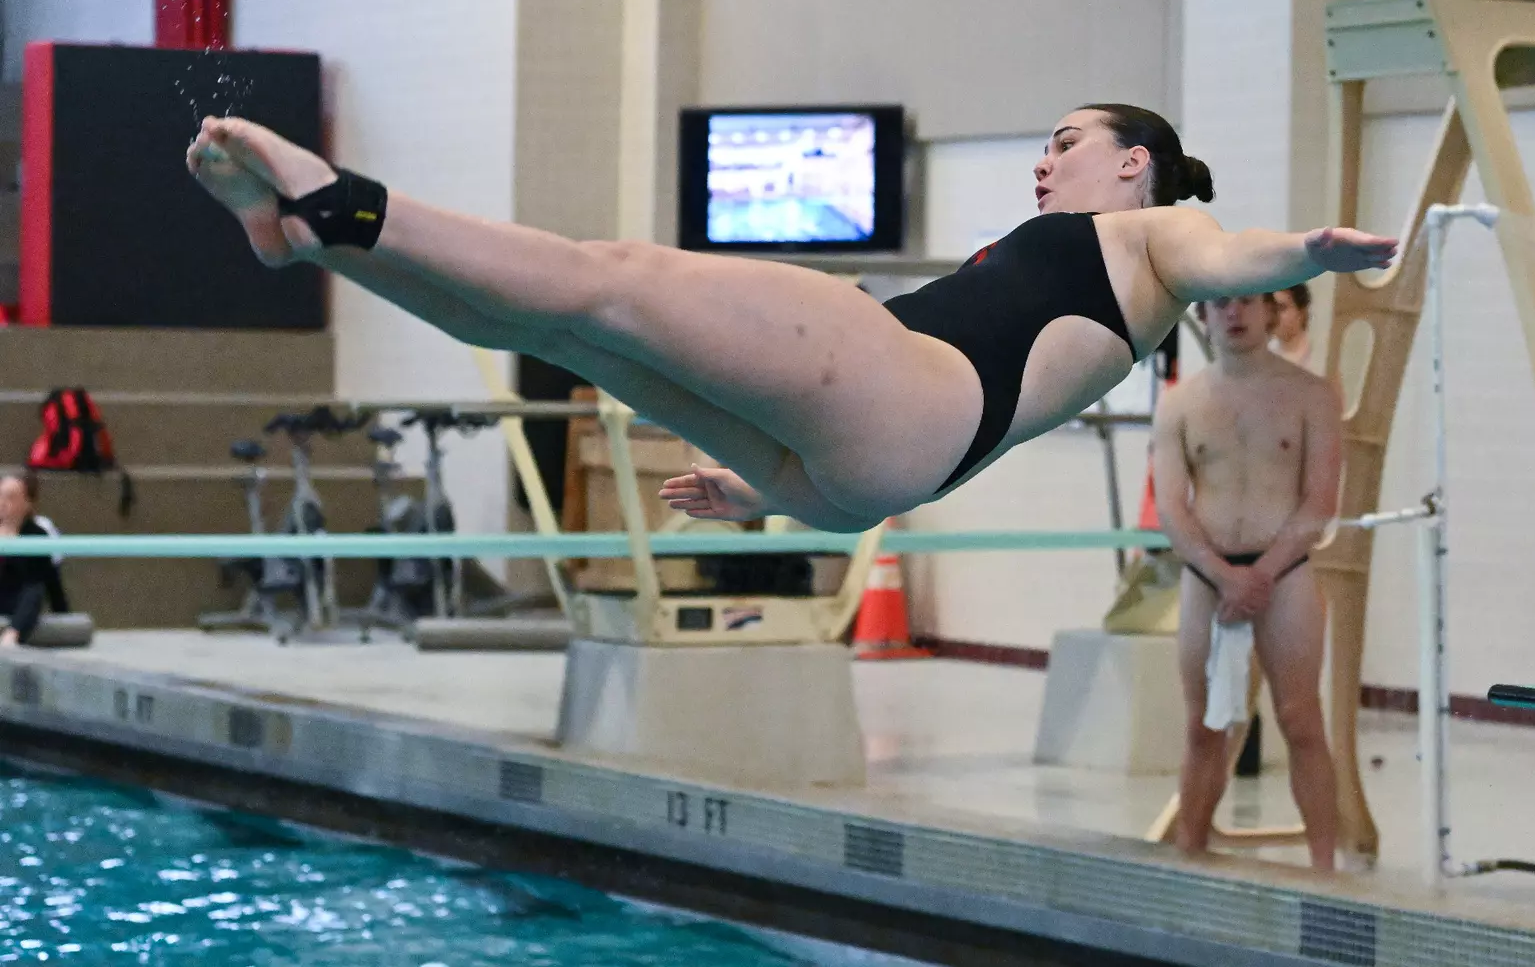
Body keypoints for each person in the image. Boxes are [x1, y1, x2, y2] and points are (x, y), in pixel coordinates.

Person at [185, 104, 1394, 533]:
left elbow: (1233, 253)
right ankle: (308, 237)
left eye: (1063, 143)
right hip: (875, 458)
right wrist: (774, 494)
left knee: (605, 278)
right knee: (557, 333)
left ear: (1134, 164)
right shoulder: (1105, 280)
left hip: (900, 409)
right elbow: (969, 432)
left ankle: (339, 202)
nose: (1044, 164)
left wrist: (1309, 251)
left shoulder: (1156, 236)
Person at [1151, 292, 1342, 871]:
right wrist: (1223, 575)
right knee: (1202, 725)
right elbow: (1172, 509)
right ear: (1202, 317)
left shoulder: (1312, 395)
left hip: (1283, 574)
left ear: (1269, 312)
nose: (1233, 315)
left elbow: (1318, 504)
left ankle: (1326, 868)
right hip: (1208, 576)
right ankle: (1190, 855)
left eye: (1245, 303)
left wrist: (1258, 575)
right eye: (1217, 304)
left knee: (1301, 718)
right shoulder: (1180, 404)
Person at [0, 471, 70, 647]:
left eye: (11, 497)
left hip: (17, 603)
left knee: (35, 589)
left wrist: (64, 617)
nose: (2, 503)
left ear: (27, 503)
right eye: (0, 495)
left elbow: (49, 581)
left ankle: (12, 635)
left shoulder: (37, 535)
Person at [1271, 283, 1312, 367]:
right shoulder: (1265, 354)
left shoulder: (1319, 357)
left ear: (1301, 312)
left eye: (1281, 308)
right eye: (1272, 309)